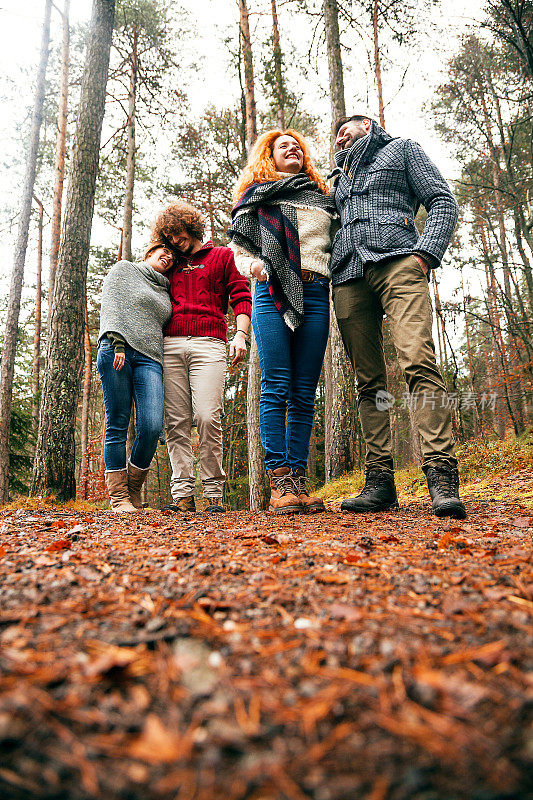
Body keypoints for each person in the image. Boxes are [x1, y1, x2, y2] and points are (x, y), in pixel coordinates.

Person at [330, 114, 466, 519]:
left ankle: (441, 475)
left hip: (399, 264)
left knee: (418, 360)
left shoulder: (401, 149)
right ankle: (380, 482)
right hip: (348, 277)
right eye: (336, 133)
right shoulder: (336, 180)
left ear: (368, 126)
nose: (339, 136)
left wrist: (426, 254)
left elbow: (442, 199)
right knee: (367, 381)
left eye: (346, 128)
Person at [228, 129, 338, 514]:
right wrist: (255, 266)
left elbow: (336, 244)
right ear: (269, 156)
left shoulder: (322, 198)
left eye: (297, 146)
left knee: (305, 390)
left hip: (315, 290)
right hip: (271, 292)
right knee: (276, 384)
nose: (292, 149)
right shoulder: (257, 197)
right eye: (282, 146)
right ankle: (280, 481)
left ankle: (299, 480)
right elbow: (239, 250)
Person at [150, 201, 252, 513]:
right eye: (168, 236)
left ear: (191, 227)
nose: (173, 241)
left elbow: (242, 295)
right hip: (170, 344)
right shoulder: (170, 264)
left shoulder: (222, 256)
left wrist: (241, 334)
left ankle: (214, 495)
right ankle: (182, 495)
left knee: (208, 416)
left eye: (177, 233)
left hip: (210, 343)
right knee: (177, 422)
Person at [97, 244, 174, 512]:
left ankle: (132, 489)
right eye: (162, 250)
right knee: (118, 423)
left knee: (152, 426)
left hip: (150, 357)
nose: (168, 256)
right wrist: (117, 342)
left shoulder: (165, 289)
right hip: (117, 349)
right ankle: (118, 497)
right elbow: (112, 305)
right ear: (148, 253)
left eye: (172, 256)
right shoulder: (125, 269)